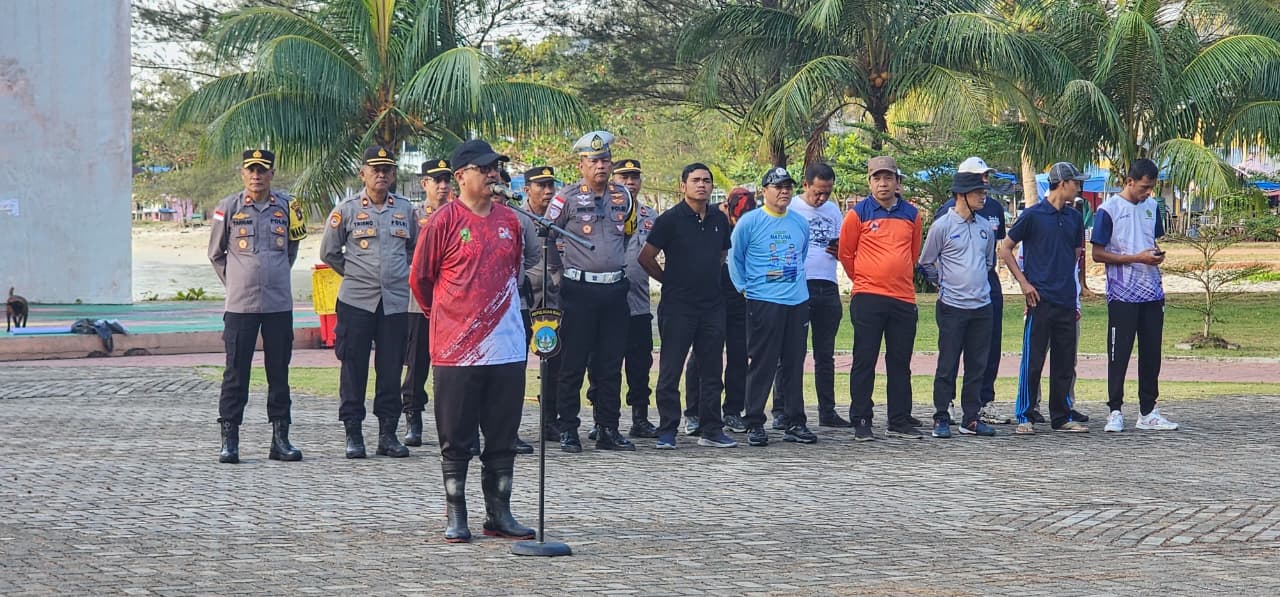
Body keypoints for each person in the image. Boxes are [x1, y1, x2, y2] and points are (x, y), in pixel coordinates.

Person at [410, 139, 534, 543]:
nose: (492, 174)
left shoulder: (511, 221)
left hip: (506, 346)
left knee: (501, 433)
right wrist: (447, 317)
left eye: (495, 167)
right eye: (484, 168)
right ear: (461, 175)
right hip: (456, 347)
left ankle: (499, 513)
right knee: (456, 435)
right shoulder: (443, 221)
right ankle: (456, 513)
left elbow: (515, 269)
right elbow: (421, 280)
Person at [319, 145, 418, 458]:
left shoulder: (405, 209)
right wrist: (357, 274)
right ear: (362, 173)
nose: (381, 174)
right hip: (357, 302)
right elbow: (329, 253)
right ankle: (354, 433)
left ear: (393, 174)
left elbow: (414, 249)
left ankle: (388, 434)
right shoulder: (346, 210)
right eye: (375, 169)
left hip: (394, 303)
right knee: (353, 367)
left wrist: (399, 274)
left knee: (390, 369)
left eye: (387, 169)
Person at [208, 149, 303, 464]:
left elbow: (291, 249)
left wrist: (271, 276)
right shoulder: (227, 208)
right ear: (242, 173)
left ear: (272, 173)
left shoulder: (289, 207)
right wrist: (237, 281)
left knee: (279, 372)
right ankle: (229, 440)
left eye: (262, 170)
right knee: (236, 372)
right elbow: (216, 254)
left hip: (278, 304)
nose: (256, 176)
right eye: (251, 170)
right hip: (241, 306)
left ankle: (280, 439)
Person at [547, 130, 638, 452]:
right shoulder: (566, 198)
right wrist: (558, 275)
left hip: (614, 289)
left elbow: (626, 235)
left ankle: (607, 427)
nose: (601, 166)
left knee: (611, 363)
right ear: (581, 165)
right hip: (578, 289)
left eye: (605, 160)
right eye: (594, 160)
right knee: (572, 362)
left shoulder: (623, 196)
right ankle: (569, 427)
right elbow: (547, 237)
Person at [639, 163, 737, 449]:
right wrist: (668, 280)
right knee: (671, 369)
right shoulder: (670, 219)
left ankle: (711, 428)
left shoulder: (720, 220)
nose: (702, 185)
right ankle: (668, 428)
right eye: (695, 180)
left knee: (711, 368)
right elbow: (646, 257)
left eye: (706, 181)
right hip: (678, 305)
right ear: (683, 186)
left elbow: (721, 254)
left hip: (712, 305)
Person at [999, 162, 1091, 434]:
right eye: (1075, 182)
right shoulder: (1033, 215)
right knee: (1033, 359)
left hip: (1065, 298)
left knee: (1064, 361)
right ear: (1062, 183)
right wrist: (1024, 283)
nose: (1079, 186)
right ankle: (1025, 415)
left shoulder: (1075, 217)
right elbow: (1005, 249)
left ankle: (1061, 416)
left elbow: (1076, 254)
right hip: (1039, 299)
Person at [838, 156, 924, 440]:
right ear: (869, 182)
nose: (883, 183)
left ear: (897, 182)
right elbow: (846, 254)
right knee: (865, 359)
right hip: (868, 297)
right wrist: (865, 278)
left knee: (900, 361)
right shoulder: (858, 214)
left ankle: (899, 419)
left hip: (902, 298)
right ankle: (861, 418)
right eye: (877, 178)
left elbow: (912, 254)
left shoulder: (912, 215)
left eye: (888, 178)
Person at [730, 167, 816, 447]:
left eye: (788, 187)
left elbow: (800, 256)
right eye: (777, 186)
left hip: (796, 301)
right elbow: (735, 257)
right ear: (764, 190)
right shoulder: (750, 222)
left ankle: (794, 420)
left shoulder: (800, 223)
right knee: (763, 363)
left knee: (793, 363)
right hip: (763, 301)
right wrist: (745, 287)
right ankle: (754, 420)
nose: (784, 191)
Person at [1092, 158, 1179, 432]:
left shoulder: (1152, 207)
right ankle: (1115, 411)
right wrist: (1135, 258)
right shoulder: (1108, 210)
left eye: (1151, 188)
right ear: (1129, 181)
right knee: (1119, 353)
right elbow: (1097, 253)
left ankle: (1148, 411)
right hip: (1122, 293)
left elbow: (1151, 240)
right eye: (1143, 187)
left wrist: (1153, 256)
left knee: (1151, 352)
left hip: (1152, 291)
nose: (1147, 193)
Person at [919, 172, 999, 438]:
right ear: (961, 194)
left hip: (982, 306)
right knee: (948, 364)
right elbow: (927, 262)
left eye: (983, 191)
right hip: (952, 307)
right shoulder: (942, 226)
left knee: (978, 365)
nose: (983, 196)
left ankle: (971, 418)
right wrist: (942, 284)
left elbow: (988, 263)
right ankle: (941, 416)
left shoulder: (986, 227)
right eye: (977, 191)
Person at [935, 157, 1012, 425]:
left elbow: (992, 253)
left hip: (986, 289)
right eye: (979, 178)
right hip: (954, 297)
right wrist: (944, 282)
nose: (984, 182)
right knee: (951, 355)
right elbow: (929, 259)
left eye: (986, 177)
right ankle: (947, 407)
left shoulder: (992, 210)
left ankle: (981, 404)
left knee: (986, 351)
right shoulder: (946, 214)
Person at [586, 158, 658, 440]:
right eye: (624, 177)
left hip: (638, 302)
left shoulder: (651, 215)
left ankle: (640, 417)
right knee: (603, 364)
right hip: (604, 301)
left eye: (635, 177)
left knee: (640, 364)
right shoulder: (598, 210)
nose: (630, 182)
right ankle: (601, 419)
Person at [781, 163, 850, 428]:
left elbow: (842, 244)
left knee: (825, 353)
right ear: (806, 185)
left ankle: (827, 411)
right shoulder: (791, 208)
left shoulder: (833, 211)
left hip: (828, 284)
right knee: (791, 352)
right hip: (798, 285)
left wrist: (841, 249)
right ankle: (784, 410)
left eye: (828, 192)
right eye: (817, 192)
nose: (822, 198)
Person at [684, 188, 756, 435]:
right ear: (727, 207)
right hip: (710, 295)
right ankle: (693, 412)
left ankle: (733, 411)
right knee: (702, 354)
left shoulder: (749, 223)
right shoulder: (711, 219)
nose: (738, 222)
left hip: (739, 296)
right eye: (736, 216)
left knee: (739, 353)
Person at [401, 157, 453, 447]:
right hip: (419, 301)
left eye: (447, 180)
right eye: (437, 181)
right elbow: (407, 252)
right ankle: (413, 415)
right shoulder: (412, 214)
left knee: (451, 365)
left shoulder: (460, 213)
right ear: (424, 184)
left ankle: (450, 419)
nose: (443, 186)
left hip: (452, 302)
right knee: (417, 362)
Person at [519, 166, 566, 441]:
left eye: (551, 185)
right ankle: (508, 423)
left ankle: (550, 418)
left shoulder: (560, 216)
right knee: (517, 361)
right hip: (527, 295)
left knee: (555, 358)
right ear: (527, 189)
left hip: (556, 295)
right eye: (541, 186)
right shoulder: (517, 216)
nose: (548, 191)